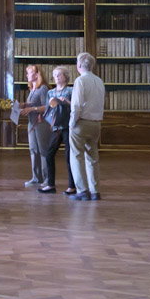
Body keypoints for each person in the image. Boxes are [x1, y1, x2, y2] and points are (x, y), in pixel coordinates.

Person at [69, 52, 105, 201]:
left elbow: (77, 105)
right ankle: (95, 190)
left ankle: (82, 190)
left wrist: (72, 122)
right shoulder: (99, 80)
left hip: (81, 122)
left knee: (76, 156)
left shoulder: (80, 81)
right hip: (96, 123)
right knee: (93, 157)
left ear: (78, 66)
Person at [37, 66, 76, 195]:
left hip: (68, 126)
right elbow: (48, 110)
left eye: (59, 74)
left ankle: (72, 185)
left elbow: (76, 106)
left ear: (65, 76)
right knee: (49, 154)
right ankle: (50, 184)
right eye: (55, 75)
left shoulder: (71, 90)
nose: (57, 77)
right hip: (55, 127)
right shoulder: (50, 92)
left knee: (69, 156)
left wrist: (67, 102)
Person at [20, 63, 51, 186]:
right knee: (33, 149)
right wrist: (23, 105)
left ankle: (47, 178)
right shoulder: (32, 89)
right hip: (32, 123)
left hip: (41, 123)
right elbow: (32, 105)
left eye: (30, 72)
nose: (27, 74)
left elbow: (47, 106)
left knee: (43, 150)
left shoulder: (43, 88)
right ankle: (36, 177)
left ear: (37, 74)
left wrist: (32, 109)